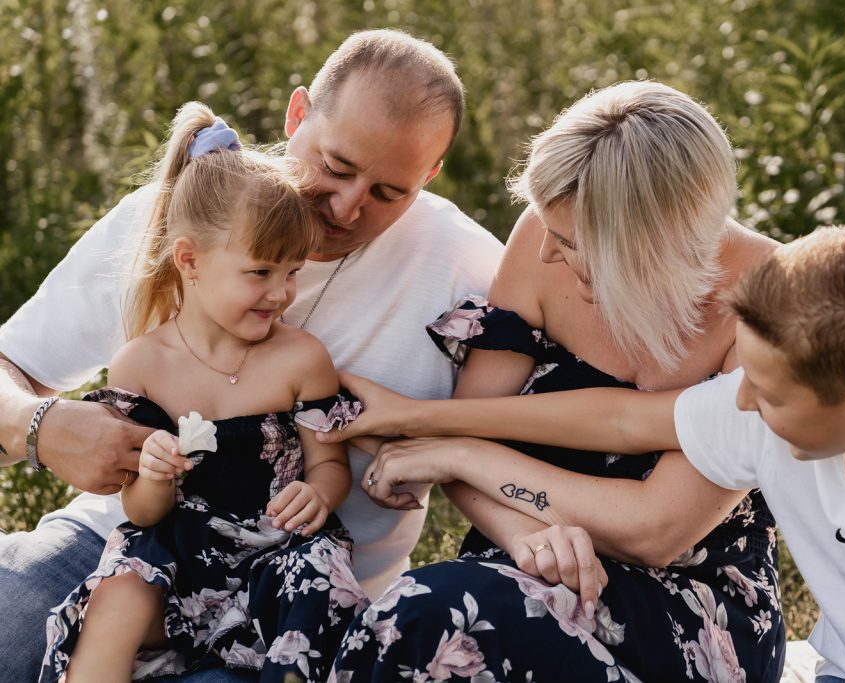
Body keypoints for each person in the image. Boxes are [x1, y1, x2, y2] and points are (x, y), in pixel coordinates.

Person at [0, 29, 503, 682]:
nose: (347, 207)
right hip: (123, 547)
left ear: (430, 173)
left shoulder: (466, 269)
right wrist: (34, 425)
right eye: (338, 165)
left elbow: (572, 400)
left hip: (290, 591)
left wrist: (435, 438)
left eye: (388, 192)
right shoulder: (189, 212)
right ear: (298, 116)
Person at [342, 224, 845, 682]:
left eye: (765, 390)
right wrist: (435, 431)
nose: (741, 402)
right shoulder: (777, 407)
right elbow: (622, 420)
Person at [328, 81, 785, 682]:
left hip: (691, 606)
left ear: (650, 242)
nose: (545, 254)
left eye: (571, 242)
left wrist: (463, 454)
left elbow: (656, 531)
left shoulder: (770, 303)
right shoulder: (541, 238)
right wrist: (522, 536)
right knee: (429, 622)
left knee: (431, 618)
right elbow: (466, 454)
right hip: (518, 573)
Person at [41, 103, 370, 682]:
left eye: (292, 272)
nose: (281, 293)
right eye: (261, 272)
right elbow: (141, 512)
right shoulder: (142, 364)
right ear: (190, 260)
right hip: (180, 551)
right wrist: (154, 474)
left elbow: (329, 463)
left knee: (315, 578)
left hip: (276, 547)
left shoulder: (300, 359)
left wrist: (319, 494)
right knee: (119, 591)